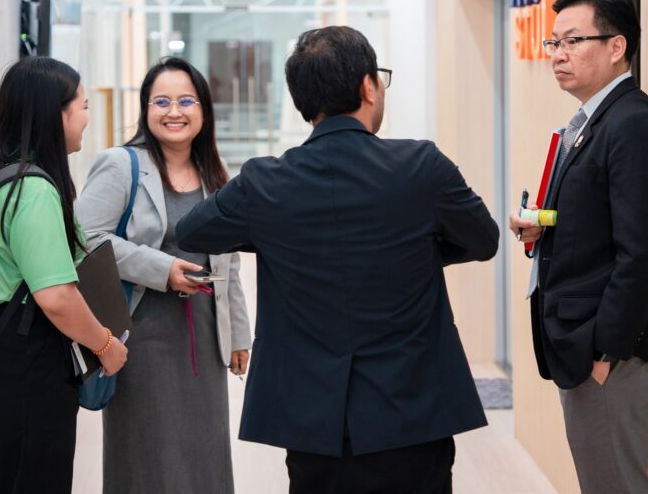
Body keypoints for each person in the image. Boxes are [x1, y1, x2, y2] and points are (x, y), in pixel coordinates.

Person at [177, 26, 499, 494]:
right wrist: (418, 251)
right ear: (368, 86)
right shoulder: (421, 167)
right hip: (412, 409)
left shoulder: (264, 184)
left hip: (314, 422)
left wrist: (277, 239)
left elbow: (192, 231)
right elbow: (484, 240)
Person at [509, 0, 648, 494]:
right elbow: (603, 220)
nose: (558, 55)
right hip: (585, 339)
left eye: (573, 41)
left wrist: (606, 353)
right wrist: (545, 225)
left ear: (616, 46)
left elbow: (642, 252)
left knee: (615, 484)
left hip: (610, 349)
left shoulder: (635, 124)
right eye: (554, 42)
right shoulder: (593, 121)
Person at [77, 57, 251, 494]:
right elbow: (85, 238)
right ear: (146, 109)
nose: (174, 111)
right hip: (141, 339)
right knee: (148, 457)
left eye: (186, 101)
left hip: (204, 340)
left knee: (204, 454)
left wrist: (239, 335)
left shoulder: (214, 172)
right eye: (162, 102)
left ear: (204, 110)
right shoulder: (121, 165)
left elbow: (227, 261)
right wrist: (162, 270)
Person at [0, 56, 128, 494]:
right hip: (29, 366)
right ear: (55, 114)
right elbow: (56, 298)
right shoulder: (33, 190)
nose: (87, 118)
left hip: (6, 354)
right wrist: (106, 345)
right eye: (83, 106)